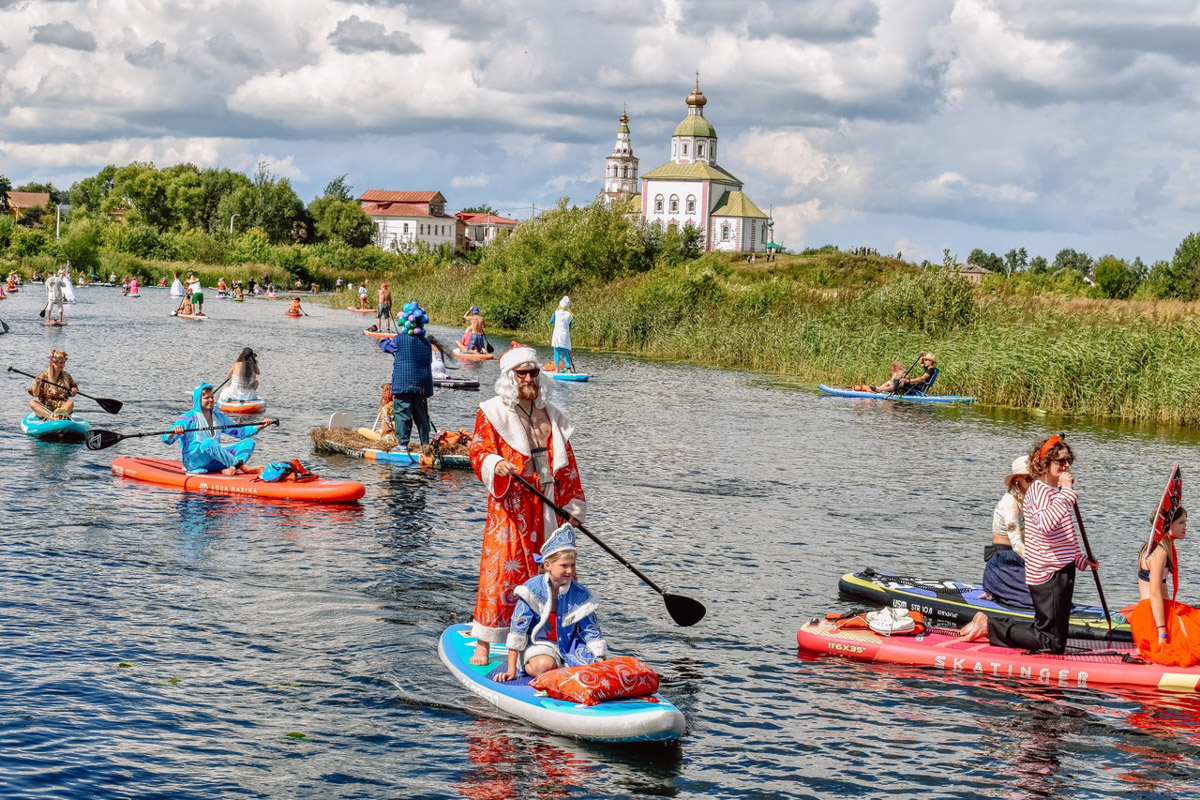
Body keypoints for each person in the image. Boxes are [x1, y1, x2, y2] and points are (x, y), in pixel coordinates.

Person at [466, 342, 586, 666]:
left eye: (534, 372)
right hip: (511, 503)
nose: (529, 378)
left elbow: (568, 463)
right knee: (502, 568)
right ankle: (484, 643)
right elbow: (477, 452)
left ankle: (547, 637)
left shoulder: (552, 415)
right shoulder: (492, 412)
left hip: (547, 501)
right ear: (510, 376)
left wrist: (573, 504)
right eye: (523, 373)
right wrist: (494, 463)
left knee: (549, 571)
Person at [959, 434, 1098, 653]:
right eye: (1061, 461)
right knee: (1049, 641)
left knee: (1055, 640)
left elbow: (1064, 534)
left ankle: (998, 628)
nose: (1067, 464)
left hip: (1061, 567)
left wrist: (1080, 559)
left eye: (1068, 459)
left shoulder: (1055, 491)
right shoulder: (1039, 491)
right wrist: (1068, 493)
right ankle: (990, 625)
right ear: (1045, 464)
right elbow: (1046, 525)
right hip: (1047, 570)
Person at [496, 524, 606, 680]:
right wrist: (511, 670)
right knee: (543, 666)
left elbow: (592, 632)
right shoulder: (532, 590)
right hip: (538, 645)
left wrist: (603, 665)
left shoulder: (580, 594)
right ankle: (536, 668)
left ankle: (563, 672)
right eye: (564, 566)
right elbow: (517, 631)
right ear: (547, 565)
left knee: (592, 671)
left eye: (573, 565)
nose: (570, 571)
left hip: (571, 647)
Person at [1130, 507, 1200, 666]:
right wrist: (1162, 634)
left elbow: (1162, 591)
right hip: (1150, 616)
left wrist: (1175, 617)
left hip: (1156, 611)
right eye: (1181, 522)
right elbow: (1155, 594)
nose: (1185, 527)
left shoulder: (1163, 545)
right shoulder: (1159, 551)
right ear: (1168, 525)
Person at [162, 384, 273, 475]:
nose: (210, 400)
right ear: (198, 400)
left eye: (212, 397)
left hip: (214, 460)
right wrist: (173, 433)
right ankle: (243, 468)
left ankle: (230, 468)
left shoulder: (219, 417)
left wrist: (262, 425)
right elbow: (166, 439)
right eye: (206, 398)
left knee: (249, 442)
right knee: (209, 442)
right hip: (193, 461)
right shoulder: (188, 417)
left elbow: (241, 432)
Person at [378, 301, 433, 448]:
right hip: (421, 385)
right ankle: (425, 445)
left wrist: (385, 339)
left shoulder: (399, 340)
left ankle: (402, 445)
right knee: (422, 417)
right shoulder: (427, 343)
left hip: (403, 383)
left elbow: (385, 346)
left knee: (402, 414)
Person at [983, 456, 1035, 607]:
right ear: (1017, 479)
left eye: (1037, 478)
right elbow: (1017, 544)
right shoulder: (1010, 503)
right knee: (1038, 599)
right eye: (1030, 478)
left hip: (1020, 560)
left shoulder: (1029, 499)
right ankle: (995, 588)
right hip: (1005, 561)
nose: (1035, 482)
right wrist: (1039, 564)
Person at [27, 350, 78, 419]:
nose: (63, 365)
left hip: (61, 407)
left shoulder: (67, 376)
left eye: (64, 362)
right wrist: (37, 384)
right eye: (60, 362)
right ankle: (52, 417)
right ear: (53, 362)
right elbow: (35, 394)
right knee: (32, 403)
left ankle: (58, 415)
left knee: (70, 403)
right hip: (46, 407)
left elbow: (74, 388)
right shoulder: (42, 376)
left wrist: (74, 390)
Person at [549, 296, 574, 372]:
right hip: (565, 335)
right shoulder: (570, 315)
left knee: (556, 352)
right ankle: (569, 369)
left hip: (557, 334)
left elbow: (551, 321)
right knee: (565, 353)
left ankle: (556, 370)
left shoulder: (556, 312)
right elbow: (570, 327)